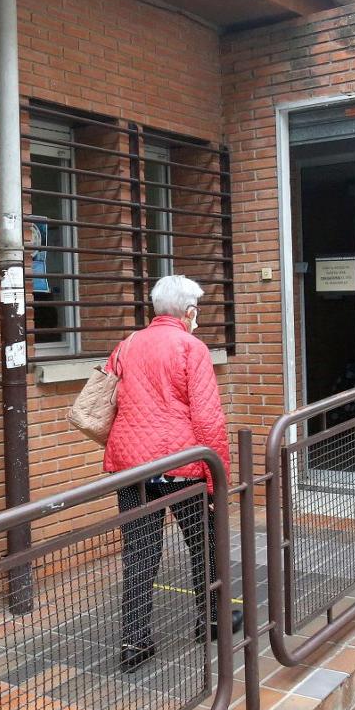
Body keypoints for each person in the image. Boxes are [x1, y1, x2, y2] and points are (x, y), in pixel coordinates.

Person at [102, 275, 242, 673]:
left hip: (131, 467)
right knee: (204, 543)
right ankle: (212, 620)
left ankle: (135, 641)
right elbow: (208, 419)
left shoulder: (127, 345)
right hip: (182, 467)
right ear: (189, 312)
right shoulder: (191, 348)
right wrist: (217, 479)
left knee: (140, 552)